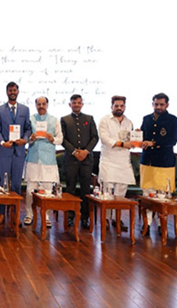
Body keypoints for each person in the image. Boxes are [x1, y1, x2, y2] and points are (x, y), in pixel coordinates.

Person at [0, 82, 31, 225]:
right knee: (3, 184)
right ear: (6, 92)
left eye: (14, 90)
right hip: (5, 150)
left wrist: (25, 139)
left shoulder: (25, 109)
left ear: (18, 91)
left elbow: (28, 128)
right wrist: (2, 142)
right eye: (10, 90)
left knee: (16, 184)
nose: (12, 92)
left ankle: (15, 215)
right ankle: (2, 213)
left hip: (19, 152)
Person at [140, 93, 177, 234]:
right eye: (156, 104)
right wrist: (139, 137)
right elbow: (142, 136)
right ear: (152, 104)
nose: (158, 107)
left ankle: (163, 227)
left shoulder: (173, 120)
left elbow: (172, 140)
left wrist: (153, 143)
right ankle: (147, 225)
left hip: (164, 162)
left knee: (163, 195)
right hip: (148, 161)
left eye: (161, 104)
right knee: (148, 194)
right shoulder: (147, 119)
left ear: (167, 105)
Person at [61, 94, 99, 228]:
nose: (76, 105)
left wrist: (85, 151)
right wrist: (74, 151)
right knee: (70, 188)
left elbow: (95, 137)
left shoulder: (89, 118)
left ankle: (84, 217)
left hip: (86, 159)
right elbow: (63, 139)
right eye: (74, 103)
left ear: (82, 104)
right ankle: (70, 216)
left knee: (85, 189)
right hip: (71, 159)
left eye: (79, 102)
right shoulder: (64, 119)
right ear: (70, 104)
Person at [98, 95, 135, 231]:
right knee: (107, 192)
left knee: (121, 193)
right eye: (116, 106)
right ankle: (106, 219)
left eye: (121, 106)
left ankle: (117, 218)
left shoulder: (129, 122)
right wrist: (122, 144)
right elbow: (105, 139)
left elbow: (130, 139)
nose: (119, 108)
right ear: (111, 107)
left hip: (123, 161)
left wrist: (136, 137)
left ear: (124, 107)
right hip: (108, 160)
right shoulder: (105, 120)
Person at [24, 96, 63, 228]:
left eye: (43, 104)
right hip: (33, 157)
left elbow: (60, 139)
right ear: (35, 105)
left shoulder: (54, 120)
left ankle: (46, 216)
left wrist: (53, 139)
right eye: (39, 104)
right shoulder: (30, 119)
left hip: (48, 158)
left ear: (47, 104)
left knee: (47, 188)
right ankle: (29, 214)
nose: (41, 106)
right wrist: (30, 138)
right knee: (30, 188)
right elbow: (26, 137)